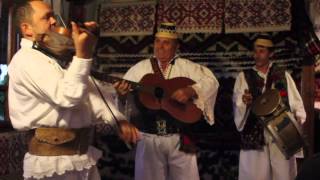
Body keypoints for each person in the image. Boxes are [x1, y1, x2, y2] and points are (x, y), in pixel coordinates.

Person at [9, 1, 138, 179]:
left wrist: (118, 120)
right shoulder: (26, 60)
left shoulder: (58, 56)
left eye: (53, 15)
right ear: (27, 29)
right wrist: (83, 56)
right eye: (47, 17)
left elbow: (91, 94)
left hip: (81, 157)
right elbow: (68, 97)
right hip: (52, 164)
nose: (54, 21)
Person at [113, 22, 219, 180]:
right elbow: (122, 99)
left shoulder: (187, 67)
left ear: (176, 46)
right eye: (157, 41)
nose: (160, 46)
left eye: (166, 42)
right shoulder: (140, 69)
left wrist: (190, 90)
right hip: (148, 138)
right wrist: (121, 95)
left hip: (181, 138)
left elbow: (212, 82)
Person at [233, 35, 306, 180]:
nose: (257, 55)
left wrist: (297, 118)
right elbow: (238, 104)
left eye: (261, 51)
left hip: (281, 135)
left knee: (283, 175)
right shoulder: (244, 77)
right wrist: (244, 103)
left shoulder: (283, 75)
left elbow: (296, 103)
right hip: (255, 135)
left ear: (270, 53)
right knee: (255, 176)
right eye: (255, 51)